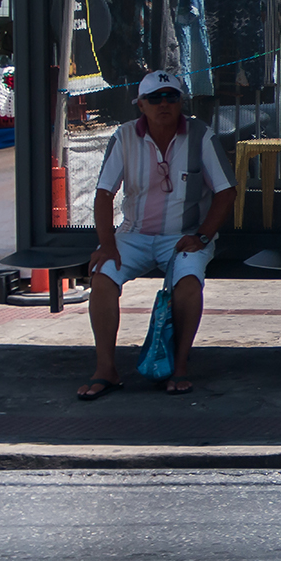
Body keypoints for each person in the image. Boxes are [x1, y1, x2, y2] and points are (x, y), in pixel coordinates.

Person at [78, 70, 236, 399]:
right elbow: (104, 194)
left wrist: (203, 236)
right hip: (133, 233)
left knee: (188, 282)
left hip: (183, 235)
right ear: (141, 105)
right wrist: (107, 245)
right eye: (155, 98)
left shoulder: (200, 135)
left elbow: (226, 192)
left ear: (181, 102)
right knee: (102, 279)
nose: (164, 104)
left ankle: (179, 367)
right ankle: (105, 368)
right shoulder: (123, 137)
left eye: (171, 97)